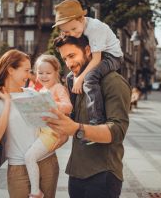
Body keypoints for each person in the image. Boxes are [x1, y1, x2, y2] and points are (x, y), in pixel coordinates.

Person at [43, 35, 131, 198]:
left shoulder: (113, 82)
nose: (69, 63)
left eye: (72, 56)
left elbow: (117, 131)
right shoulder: (74, 82)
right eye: (64, 58)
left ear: (88, 51)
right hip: (76, 172)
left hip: (103, 175)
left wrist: (77, 129)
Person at [0, 50, 59, 198]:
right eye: (26, 70)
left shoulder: (33, 93)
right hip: (18, 167)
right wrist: (8, 103)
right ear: (11, 70)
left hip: (47, 162)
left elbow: (52, 125)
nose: (29, 75)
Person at [53, 0, 123, 125]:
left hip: (112, 57)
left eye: (74, 29)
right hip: (99, 55)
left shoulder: (95, 28)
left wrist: (80, 79)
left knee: (90, 77)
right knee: (69, 78)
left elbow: (96, 59)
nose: (73, 34)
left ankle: (97, 119)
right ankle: (73, 113)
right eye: (67, 32)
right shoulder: (76, 29)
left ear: (81, 18)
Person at [25, 54, 73, 197]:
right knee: (32, 156)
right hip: (40, 129)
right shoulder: (39, 88)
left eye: (48, 73)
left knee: (29, 157)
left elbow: (68, 107)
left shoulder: (58, 88)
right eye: (40, 73)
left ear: (56, 73)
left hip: (52, 133)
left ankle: (36, 192)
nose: (44, 76)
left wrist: (50, 103)